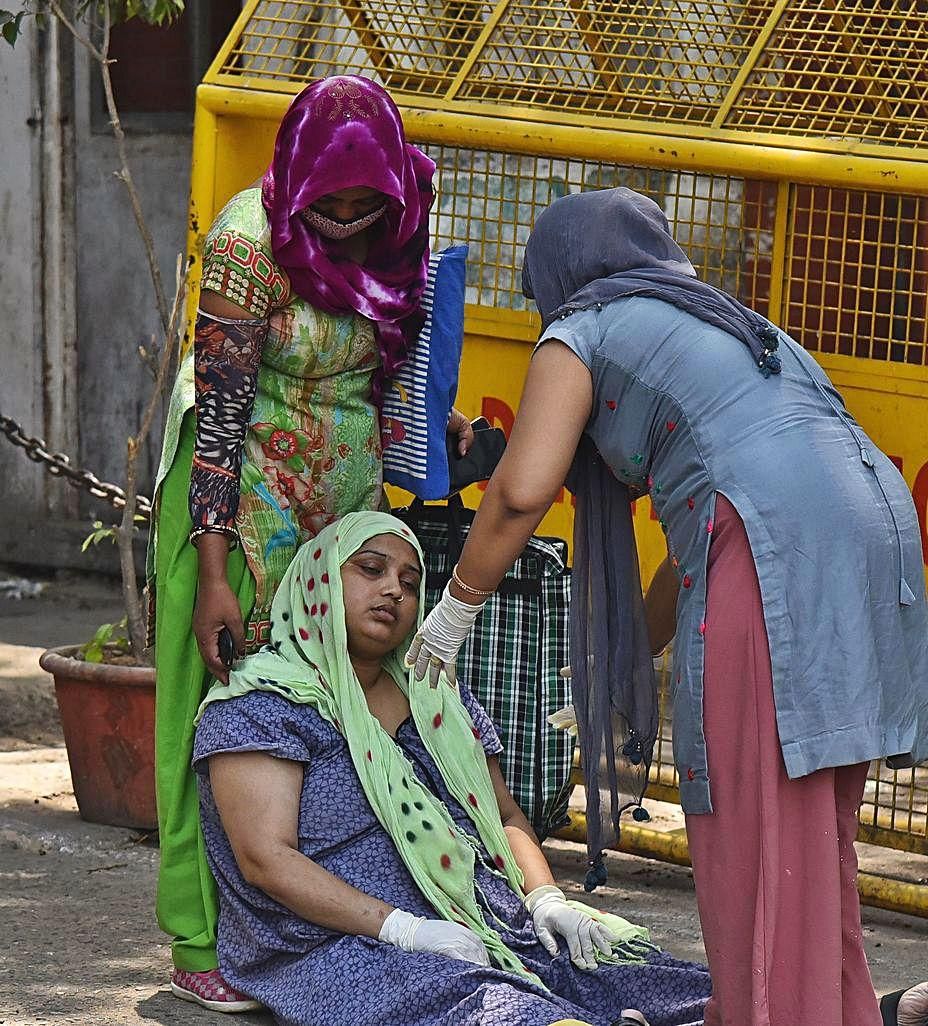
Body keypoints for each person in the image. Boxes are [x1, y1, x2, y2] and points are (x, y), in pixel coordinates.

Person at [406, 188, 928, 1026]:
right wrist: (616, 672)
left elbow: (519, 494)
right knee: (810, 837)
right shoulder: (720, 324)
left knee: (752, 824)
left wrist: (453, 612)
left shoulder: (583, 327)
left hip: (773, 548)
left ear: (561, 276)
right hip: (868, 534)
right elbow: (703, 556)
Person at [151, 76, 473, 1010]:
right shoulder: (251, 243)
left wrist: (431, 416)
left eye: (359, 204)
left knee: (329, 716)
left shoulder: (407, 213)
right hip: (237, 500)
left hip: (343, 511)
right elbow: (219, 414)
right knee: (218, 712)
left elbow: (394, 344)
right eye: (325, 203)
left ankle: (306, 921)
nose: (340, 219)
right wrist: (214, 570)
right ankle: (198, 934)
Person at [191, 511, 713, 1025]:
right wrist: (403, 929)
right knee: (482, 1007)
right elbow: (265, 859)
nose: (395, 590)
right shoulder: (262, 704)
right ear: (316, 581)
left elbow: (504, 814)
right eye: (371, 570)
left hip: (478, 918)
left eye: (410, 582)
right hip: (334, 943)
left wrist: (546, 899)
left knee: (654, 982)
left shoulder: (435, 692)